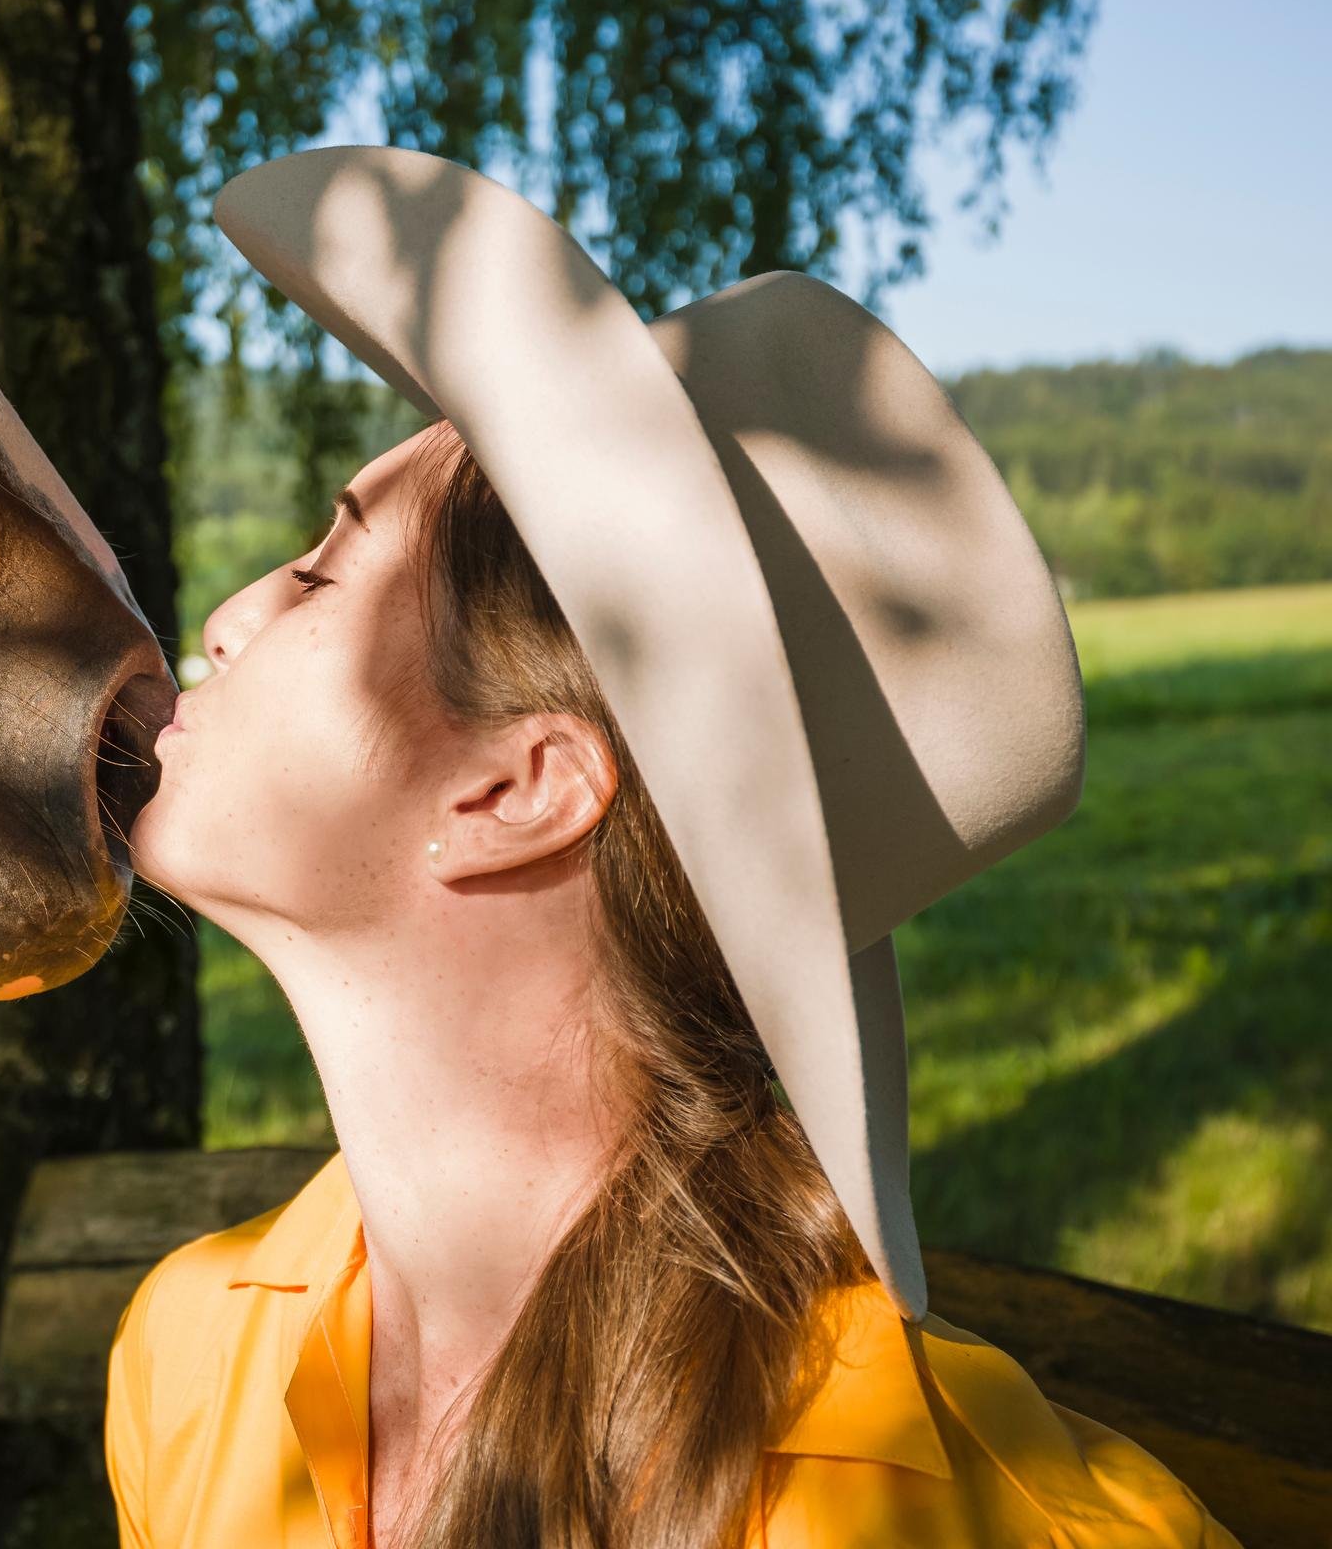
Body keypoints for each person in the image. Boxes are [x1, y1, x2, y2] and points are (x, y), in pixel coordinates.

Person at [106, 146, 1242, 1549]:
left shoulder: (1013, 1529)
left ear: (518, 787)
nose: (228, 614)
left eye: (326, 569)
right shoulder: (190, 1354)